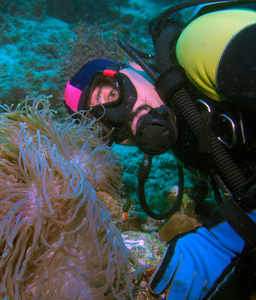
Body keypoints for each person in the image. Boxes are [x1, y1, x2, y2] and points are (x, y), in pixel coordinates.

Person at [63, 1, 256, 299]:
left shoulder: (199, 43)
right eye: (108, 128)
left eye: (113, 94)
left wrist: (232, 232)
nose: (125, 120)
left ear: (132, 67)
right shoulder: (186, 137)